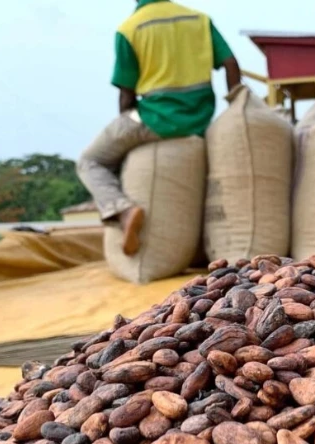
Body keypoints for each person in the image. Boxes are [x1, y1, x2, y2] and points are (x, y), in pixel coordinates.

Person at [77, 0, 241, 256]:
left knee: (89, 161)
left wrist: (127, 122)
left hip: (153, 120)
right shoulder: (198, 19)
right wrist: (235, 107)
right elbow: (231, 63)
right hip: (199, 119)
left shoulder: (130, 29)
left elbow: (126, 94)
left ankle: (122, 209)